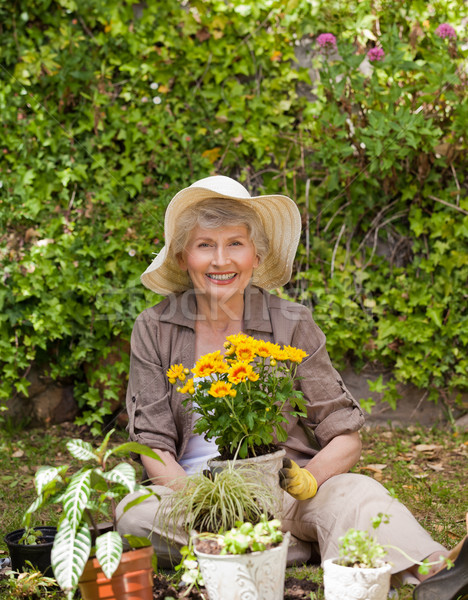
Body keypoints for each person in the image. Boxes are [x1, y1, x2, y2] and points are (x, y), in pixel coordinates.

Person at [117, 175, 467, 600]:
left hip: (283, 494)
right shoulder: (155, 327)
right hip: (194, 500)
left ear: (256, 255)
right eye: (205, 244)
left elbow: (345, 435)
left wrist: (309, 479)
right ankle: (294, 547)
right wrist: (202, 499)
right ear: (183, 256)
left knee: (358, 492)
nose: (220, 260)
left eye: (236, 244)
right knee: (133, 515)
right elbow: (152, 443)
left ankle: (438, 572)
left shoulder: (292, 322)